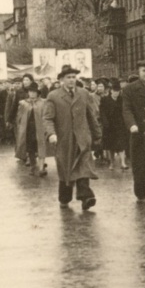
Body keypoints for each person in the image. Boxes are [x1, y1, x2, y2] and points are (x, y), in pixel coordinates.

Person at [44, 65, 102, 210]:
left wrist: (97, 134)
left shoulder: (84, 93)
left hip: (82, 138)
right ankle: (65, 197)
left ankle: (86, 197)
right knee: (66, 170)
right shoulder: (53, 96)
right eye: (68, 77)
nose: (71, 80)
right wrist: (51, 134)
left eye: (74, 77)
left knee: (84, 167)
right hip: (64, 140)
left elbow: (91, 115)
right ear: (62, 80)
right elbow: (48, 118)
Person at [122, 59, 145, 200]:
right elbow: (127, 109)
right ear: (139, 72)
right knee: (139, 166)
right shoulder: (129, 89)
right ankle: (141, 193)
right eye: (144, 70)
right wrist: (132, 124)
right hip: (138, 132)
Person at [16, 82, 50, 176]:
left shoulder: (43, 103)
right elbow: (19, 116)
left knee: (41, 147)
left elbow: (46, 116)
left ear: (37, 93)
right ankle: (33, 166)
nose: (32, 93)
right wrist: (19, 127)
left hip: (40, 129)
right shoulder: (24, 103)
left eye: (34, 92)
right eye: (30, 92)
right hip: (28, 129)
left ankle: (41, 168)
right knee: (30, 149)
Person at [100, 80, 128, 169]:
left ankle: (123, 163)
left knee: (121, 144)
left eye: (118, 91)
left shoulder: (122, 100)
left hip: (120, 125)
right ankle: (111, 163)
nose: (116, 93)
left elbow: (125, 111)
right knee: (110, 146)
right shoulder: (105, 100)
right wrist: (105, 122)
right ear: (111, 91)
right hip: (109, 126)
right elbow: (102, 112)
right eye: (114, 91)